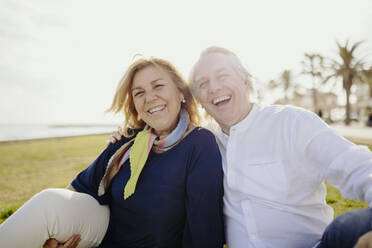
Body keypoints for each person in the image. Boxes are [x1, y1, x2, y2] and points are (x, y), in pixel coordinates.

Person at [107, 47, 372, 248]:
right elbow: (164, 131)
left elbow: (355, 166)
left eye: (223, 75)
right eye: (203, 84)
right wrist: (127, 135)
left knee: (355, 225)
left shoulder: (292, 123)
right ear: (197, 99)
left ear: (246, 80)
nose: (215, 88)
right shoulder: (202, 142)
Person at [0, 57, 224, 248]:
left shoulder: (200, 144)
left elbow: (204, 231)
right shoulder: (128, 140)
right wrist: (54, 238)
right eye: (139, 93)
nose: (150, 98)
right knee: (48, 202)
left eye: (158, 86)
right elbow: (76, 191)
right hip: (103, 237)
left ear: (181, 92)